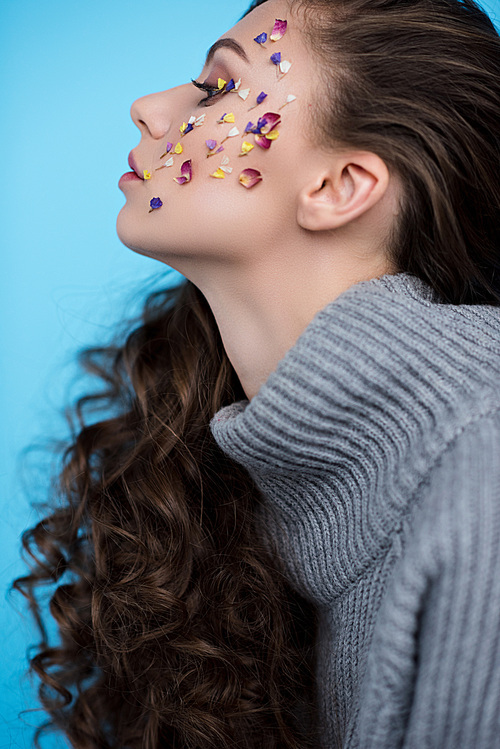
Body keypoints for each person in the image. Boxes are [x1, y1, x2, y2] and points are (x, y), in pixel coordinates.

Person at [14, 0, 500, 746]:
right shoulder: (255, 481)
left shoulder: (484, 479)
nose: (148, 108)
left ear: (339, 186)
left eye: (217, 88)